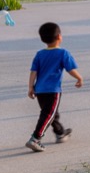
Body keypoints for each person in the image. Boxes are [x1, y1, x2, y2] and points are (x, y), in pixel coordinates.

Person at [26, 21, 82, 153]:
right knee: (48, 114)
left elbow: (33, 72)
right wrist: (79, 78)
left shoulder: (39, 54)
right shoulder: (63, 53)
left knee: (51, 113)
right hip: (53, 90)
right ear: (59, 37)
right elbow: (70, 69)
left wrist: (30, 87)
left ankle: (60, 132)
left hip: (40, 90)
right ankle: (35, 138)